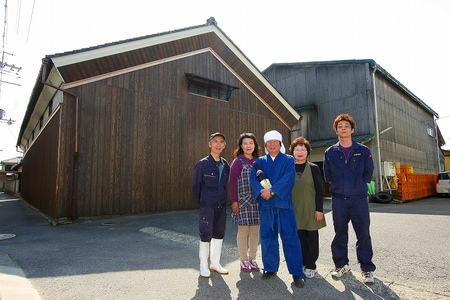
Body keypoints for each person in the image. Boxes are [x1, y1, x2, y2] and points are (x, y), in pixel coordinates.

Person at [323, 114, 376, 284]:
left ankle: (367, 268)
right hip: (339, 198)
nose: (343, 128)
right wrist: (340, 186)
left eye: (346, 126)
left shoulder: (363, 150)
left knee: (363, 233)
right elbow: (328, 174)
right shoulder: (330, 152)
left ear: (352, 130)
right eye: (340, 126)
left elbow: (368, 173)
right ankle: (341, 265)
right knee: (340, 232)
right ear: (336, 130)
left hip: (358, 198)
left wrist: (358, 185)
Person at [250, 130, 306, 288]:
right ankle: (270, 268)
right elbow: (253, 179)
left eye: (276, 141)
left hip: (283, 205)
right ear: (266, 145)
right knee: (267, 237)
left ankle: (297, 273)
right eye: (269, 142)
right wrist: (262, 192)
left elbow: (288, 178)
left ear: (280, 144)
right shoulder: (259, 161)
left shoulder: (288, 160)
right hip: (266, 205)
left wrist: (272, 191)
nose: (272, 144)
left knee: (290, 238)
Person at [192, 132, 230, 278]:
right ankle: (203, 266)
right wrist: (203, 203)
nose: (218, 144)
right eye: (215, 141)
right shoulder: (202, 164)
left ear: (224, 146)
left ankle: (215, 263)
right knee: (205, 235)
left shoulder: (225, 164)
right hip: (207, 205)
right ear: (210, 144)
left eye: (221, 142)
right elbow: (196, 186)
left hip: (221, 206)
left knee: (219, 234)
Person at [289, 137, 326, 279]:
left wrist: (319, 210)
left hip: (311, 209)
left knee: (311, 238)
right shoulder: (289, 167)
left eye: (303, 149)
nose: (300, 152)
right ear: (292, 152)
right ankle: (302, 263)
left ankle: (311, 266)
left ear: (307, 152)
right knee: (299, 239)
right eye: (296, 149)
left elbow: (320, 190)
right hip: (294, 209)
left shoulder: (314, 168)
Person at [229, 133, 261, 272]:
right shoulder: (238, 161)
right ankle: (243, 260)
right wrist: (234, 201)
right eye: (245, 143)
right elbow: (232, 183)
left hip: (257, 201)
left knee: (255, 232)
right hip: (242, 201)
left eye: (251, 143)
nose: (248, 146)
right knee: (243, 232)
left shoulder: (259, 161)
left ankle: (252, 258)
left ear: (255, 145)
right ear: (241, 146)